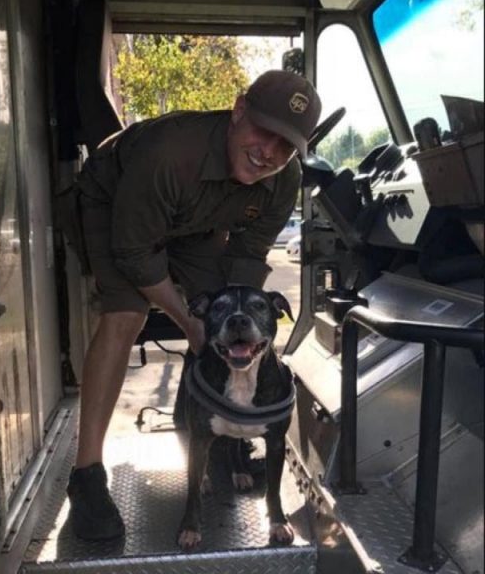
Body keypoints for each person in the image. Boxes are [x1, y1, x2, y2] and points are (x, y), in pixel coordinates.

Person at [64, 70, 322, 540]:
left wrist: (240, 332)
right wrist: (191, 323)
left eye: (286, 146)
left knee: (226, 310)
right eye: (263, 132)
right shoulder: (170, 153)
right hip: (116, 202)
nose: (269, 153)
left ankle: (228, 433)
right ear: (239, 108)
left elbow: (247, 260)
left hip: (195, 223)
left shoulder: (285, 179)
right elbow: (134, 254)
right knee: (126, 314)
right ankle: (86, 477)